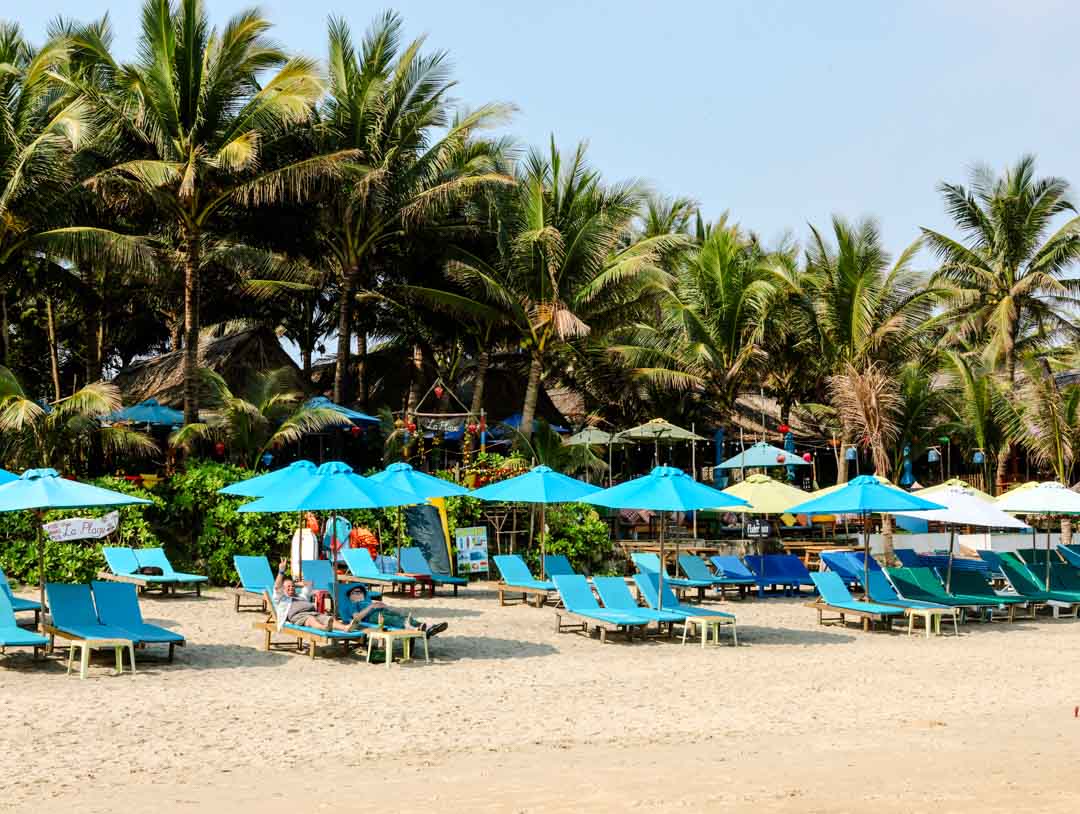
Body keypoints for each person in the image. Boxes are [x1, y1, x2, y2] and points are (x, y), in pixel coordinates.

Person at [272, 557, 360, 633]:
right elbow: (277, 587)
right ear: (283, 589)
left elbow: (309, 584)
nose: (291, 588)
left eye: (292, 586)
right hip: (298, 617)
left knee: (328, 618)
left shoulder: (301, 596)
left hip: (313, 613)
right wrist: (281, 571)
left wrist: (298, 583)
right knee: (310, 619)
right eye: (288, 587)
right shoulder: (282, 598)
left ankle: (346, 628)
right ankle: (323, 628)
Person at [342, 583, 448, 639]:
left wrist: (383, 606)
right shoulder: (352, 605)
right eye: (355, 592)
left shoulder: (366, 602)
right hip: (371, 617)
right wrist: (371, 607)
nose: (359, 593)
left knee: (403, 617)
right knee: (394, 620)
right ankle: (415, 628)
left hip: (381, 611)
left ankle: (429, 627)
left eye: (361, 591)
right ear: (350, 596)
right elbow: (357, 618)